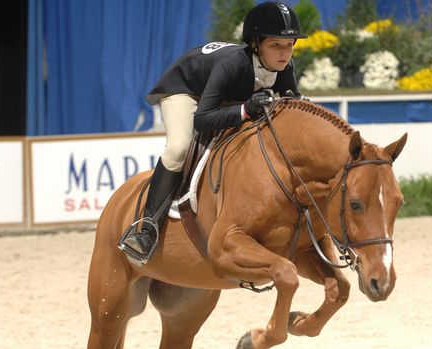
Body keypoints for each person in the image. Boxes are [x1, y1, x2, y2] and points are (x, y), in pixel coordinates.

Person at [120, 1, 307, 263]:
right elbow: (203, 120)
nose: (284, 53)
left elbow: (289, 104)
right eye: (276, 45)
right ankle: (146, 229)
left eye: (289, 45)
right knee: (179, 148)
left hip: (223, 97)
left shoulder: (284, 67)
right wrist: (245, 110)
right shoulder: (233, 64)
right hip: (185, 90)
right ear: (256, 43)